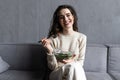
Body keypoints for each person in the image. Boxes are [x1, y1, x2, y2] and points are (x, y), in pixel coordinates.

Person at [41, 4, 87, 80]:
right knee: (73, 66)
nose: (65, 19)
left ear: (73, 17)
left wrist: (72, 61)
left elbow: (80, 63)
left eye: (68, 15)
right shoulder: (53, 39)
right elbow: (53, 67)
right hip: (57, 73)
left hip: (74, 71)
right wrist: (50, 50)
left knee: (73, 66)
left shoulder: (82, 38)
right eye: (61, 17)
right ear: (58, 21)